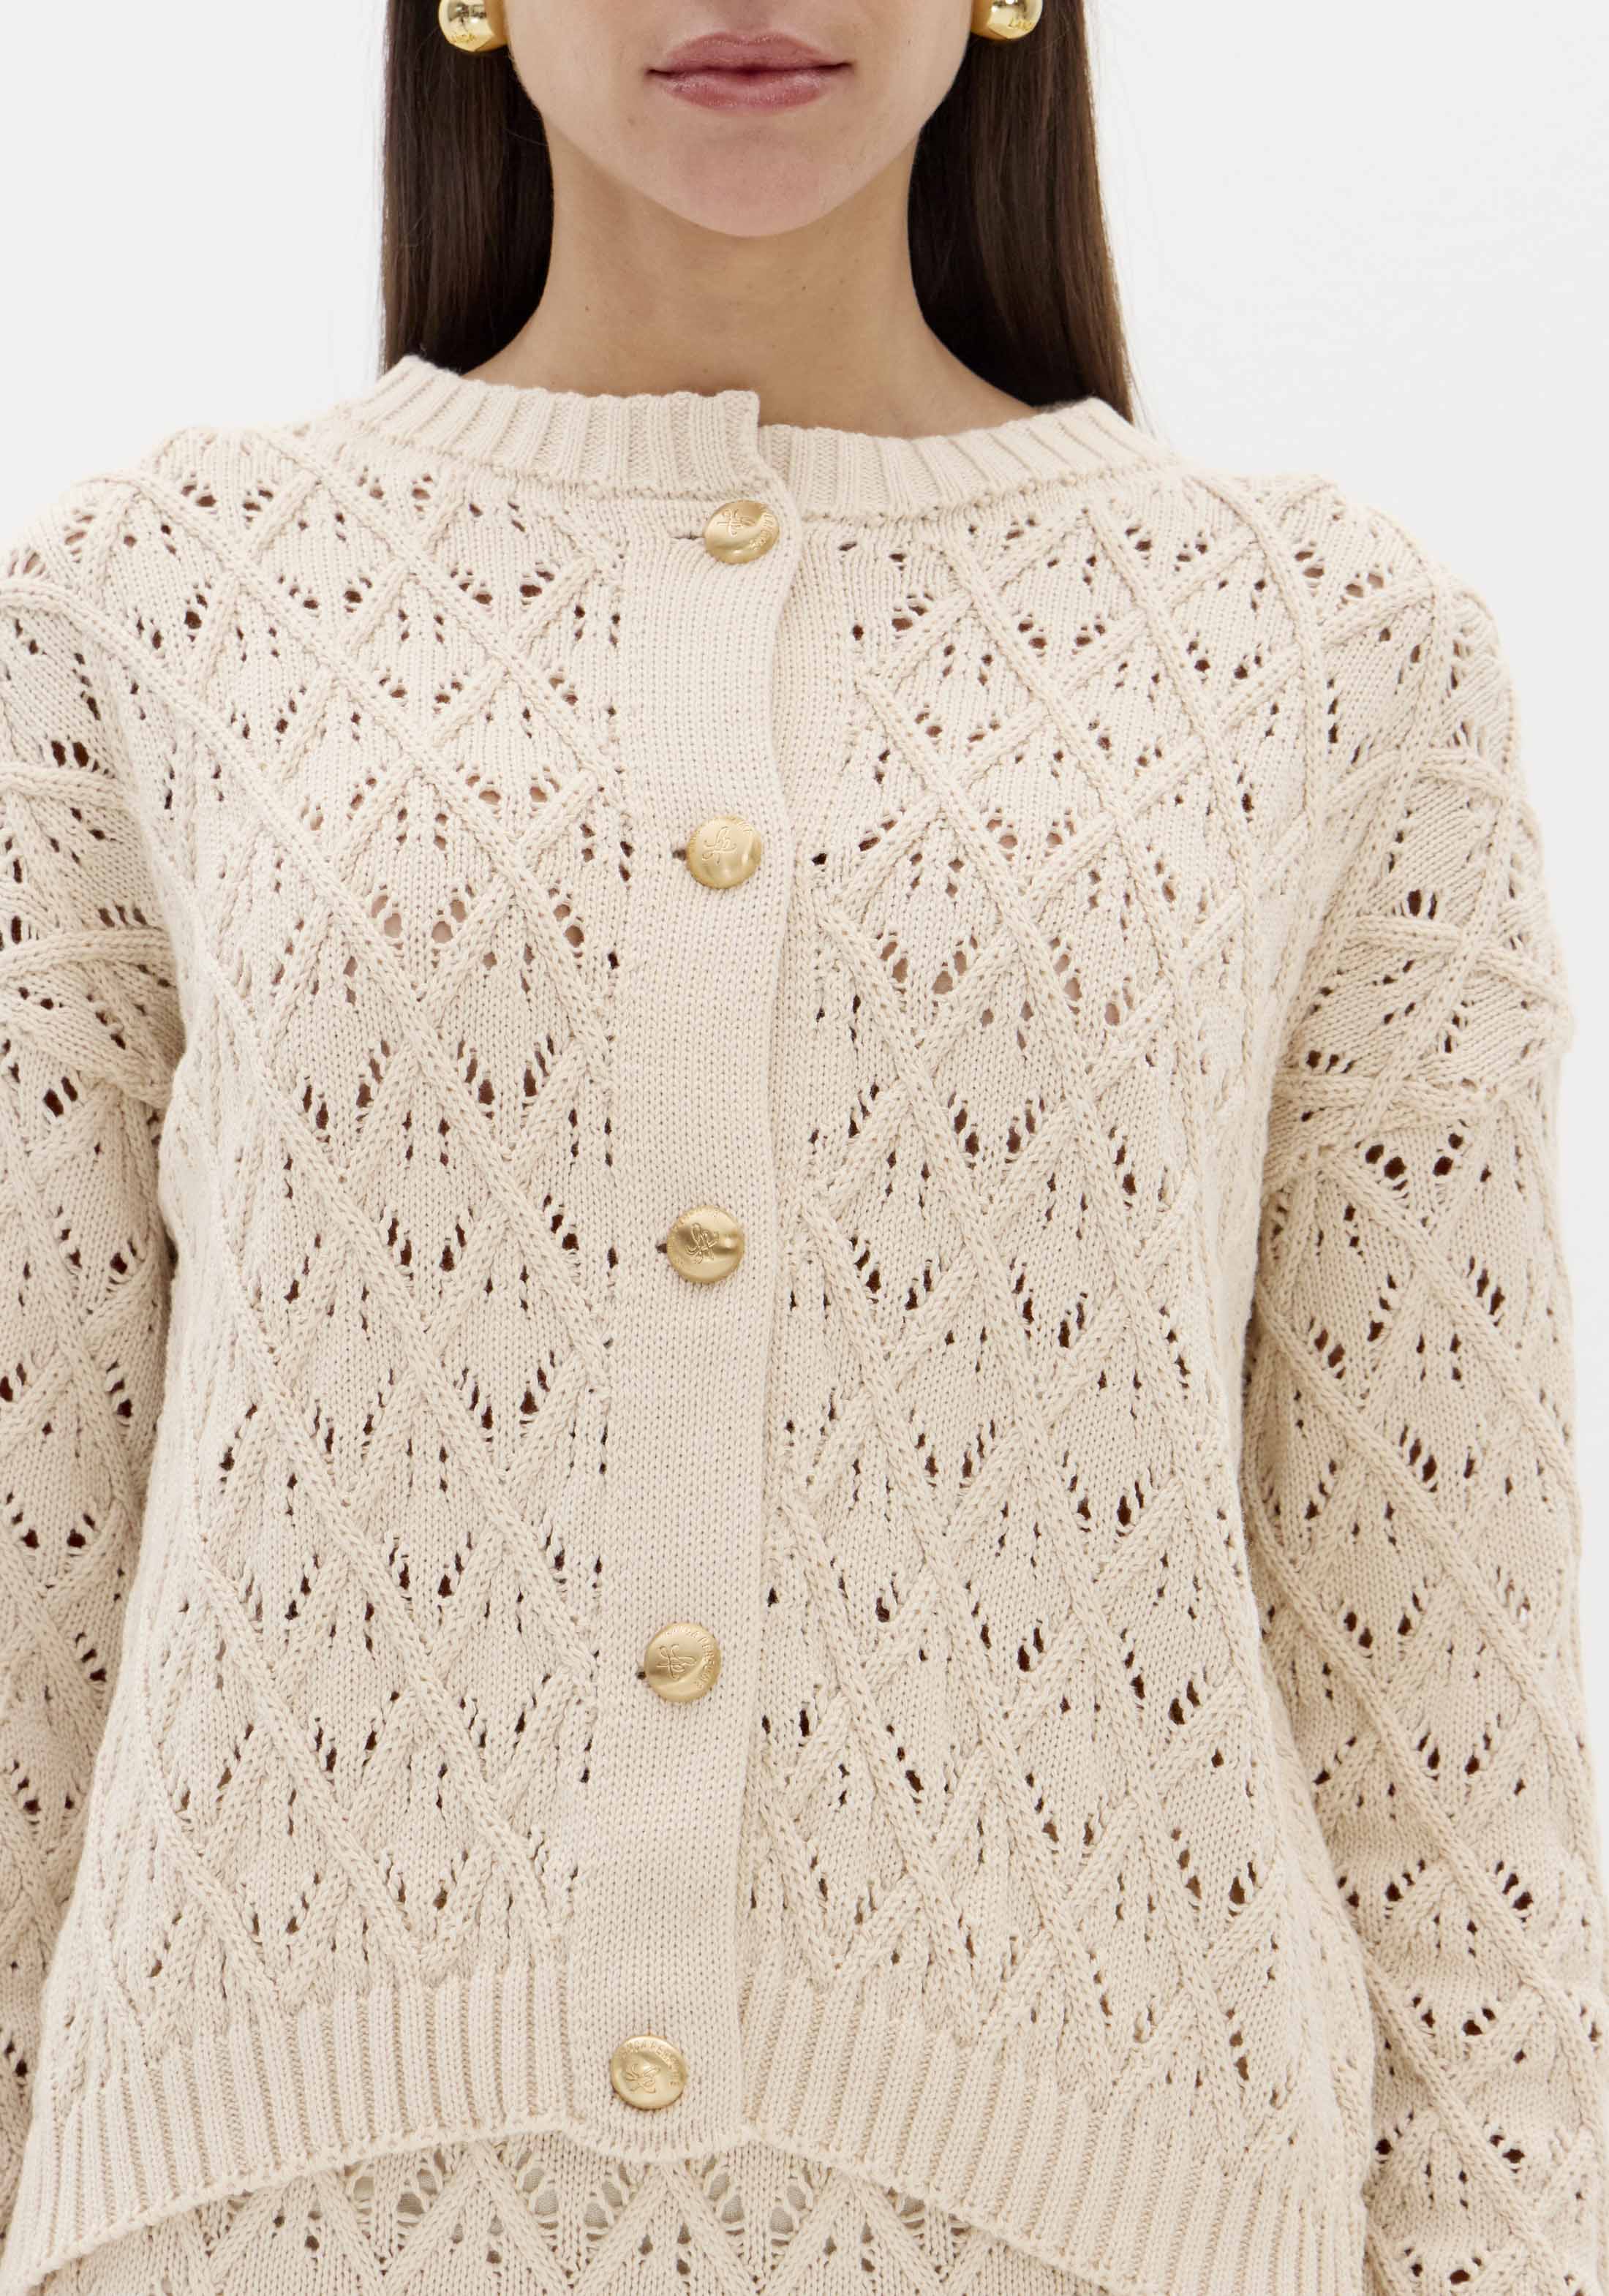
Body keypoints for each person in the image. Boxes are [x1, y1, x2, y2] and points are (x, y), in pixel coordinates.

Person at [1, 2, 1605, 2291]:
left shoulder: (1331, 663)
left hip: (1112, 2227)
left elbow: (1445, 1688)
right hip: (249, 2222)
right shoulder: (141, 621)